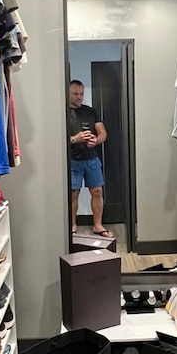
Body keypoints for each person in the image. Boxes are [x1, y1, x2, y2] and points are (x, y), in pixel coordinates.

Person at [68, 79, 113, 238]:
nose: (79, 97)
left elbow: (103, 133)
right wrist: (76, 138)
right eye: (75, 94)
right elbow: (57, 140)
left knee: (97, 192)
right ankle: (72, 225)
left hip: (92, 159)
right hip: (72, 160)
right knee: (73, 194)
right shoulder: (63, 112)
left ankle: (98, 225)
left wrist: (96, 140)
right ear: (68, 92)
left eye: (81, 94)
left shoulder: (91, 111)